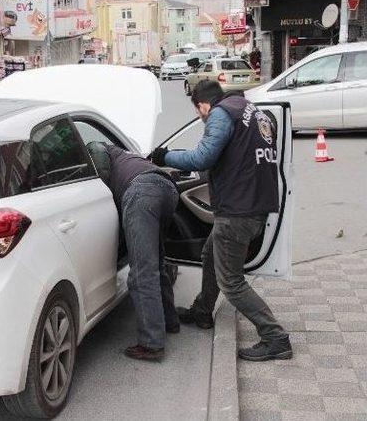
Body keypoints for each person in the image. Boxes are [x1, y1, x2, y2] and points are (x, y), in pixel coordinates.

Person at [151, 81, 292, 362]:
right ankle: (203, 311)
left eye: (198, 112)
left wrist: (164, 156)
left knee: (232, 283)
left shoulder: (221, 113)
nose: (201, 117)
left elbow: (203, 157)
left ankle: (275, 337)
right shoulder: (251, 110)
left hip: (237, 211)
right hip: (255, 204)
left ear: (203, 105)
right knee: (209, 254)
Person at [87, 142, 179, 362]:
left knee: (141, 273)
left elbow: (103, 179)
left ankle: (152, 343)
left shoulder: (96, 147)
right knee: (156, 262)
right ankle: (169, 320)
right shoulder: (125, 154)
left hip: (141, 193)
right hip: (167, 188)